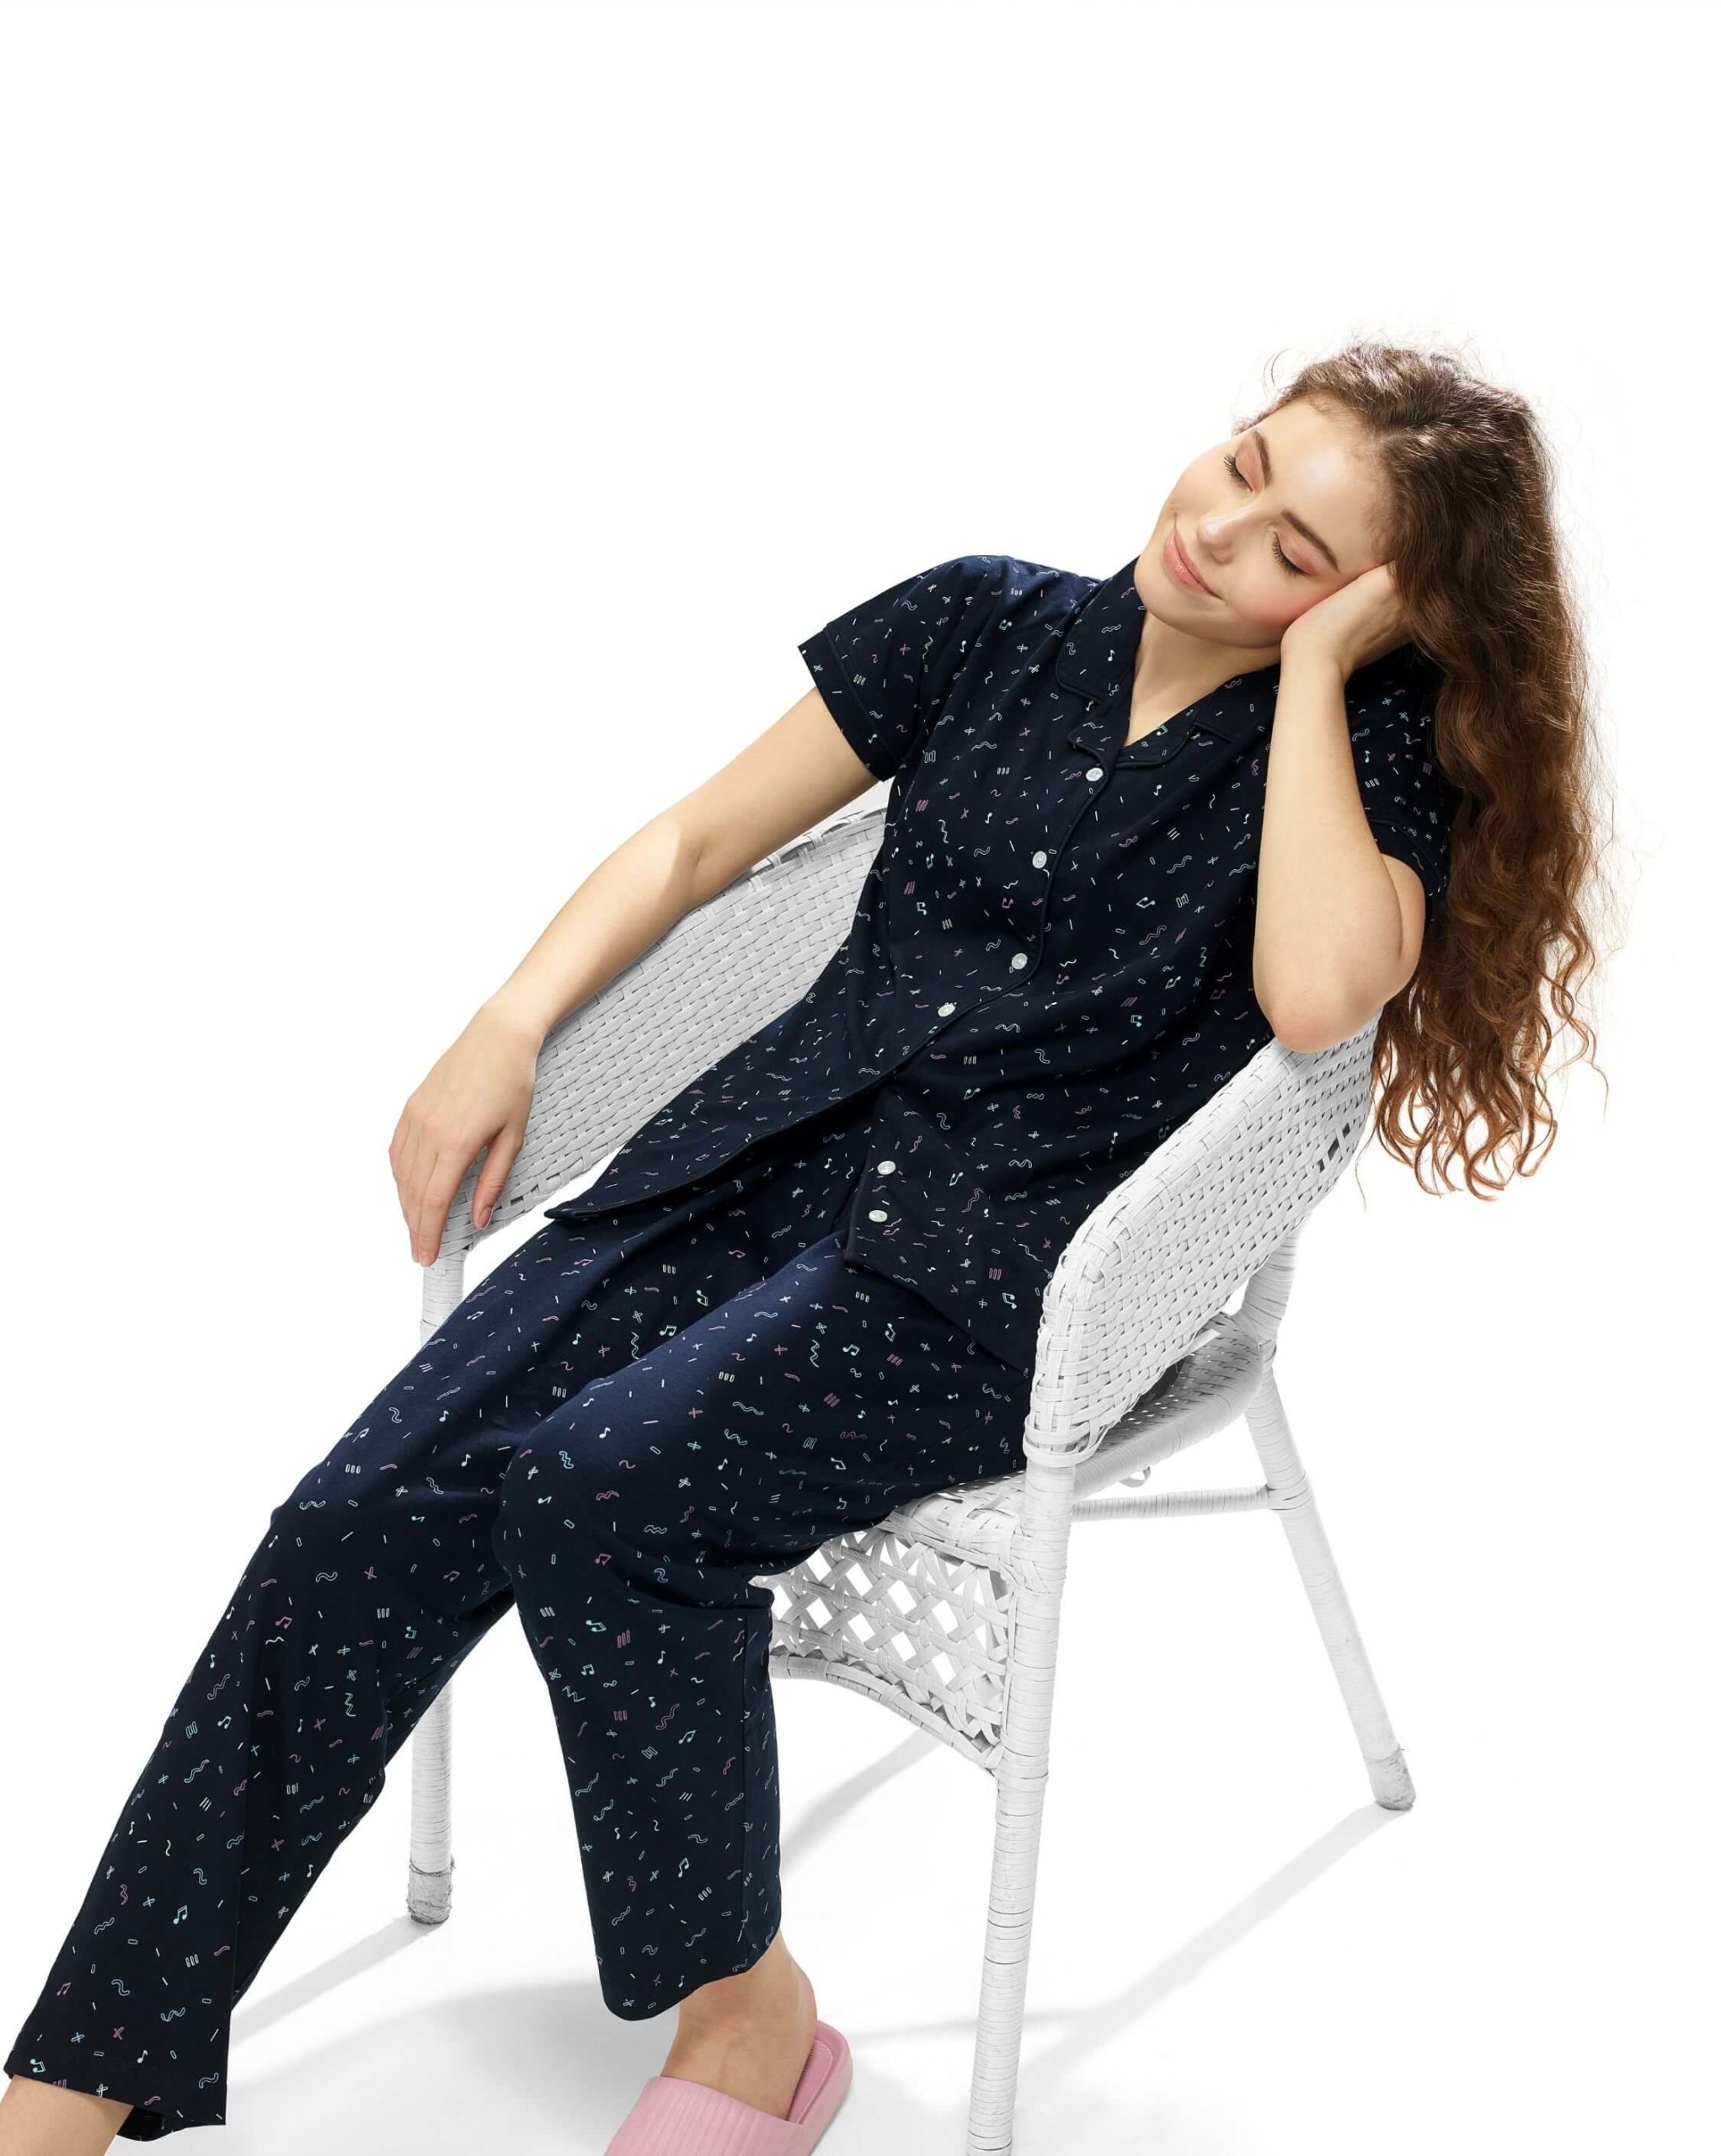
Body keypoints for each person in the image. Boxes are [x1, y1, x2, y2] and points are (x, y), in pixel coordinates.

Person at [0, 338, 1613, 2154]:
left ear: (1380, 614)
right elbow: (701, 839)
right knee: (349, 1521)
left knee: (602, 1487)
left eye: (1296, 554)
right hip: (748, 1161)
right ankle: (70, 2087)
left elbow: (1319, 999)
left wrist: (1317, 675)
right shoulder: (981, 621)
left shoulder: (1366, 761)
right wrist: (506, 1023)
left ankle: (749, 2017)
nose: (1218, 532)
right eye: (1241, 465)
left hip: (997, 1274)